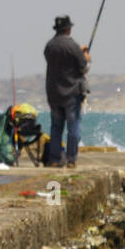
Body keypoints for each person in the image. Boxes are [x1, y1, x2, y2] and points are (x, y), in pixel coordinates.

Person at [43, 15, 90, 168]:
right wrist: (85, 57)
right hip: (71, 93)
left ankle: (55, 159)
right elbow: (84, 67)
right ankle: (71, 159)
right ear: (68, 29)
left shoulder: (49, 46)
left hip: (54, 94)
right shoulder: (72, 46)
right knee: (73, 127)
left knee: (56, 127)